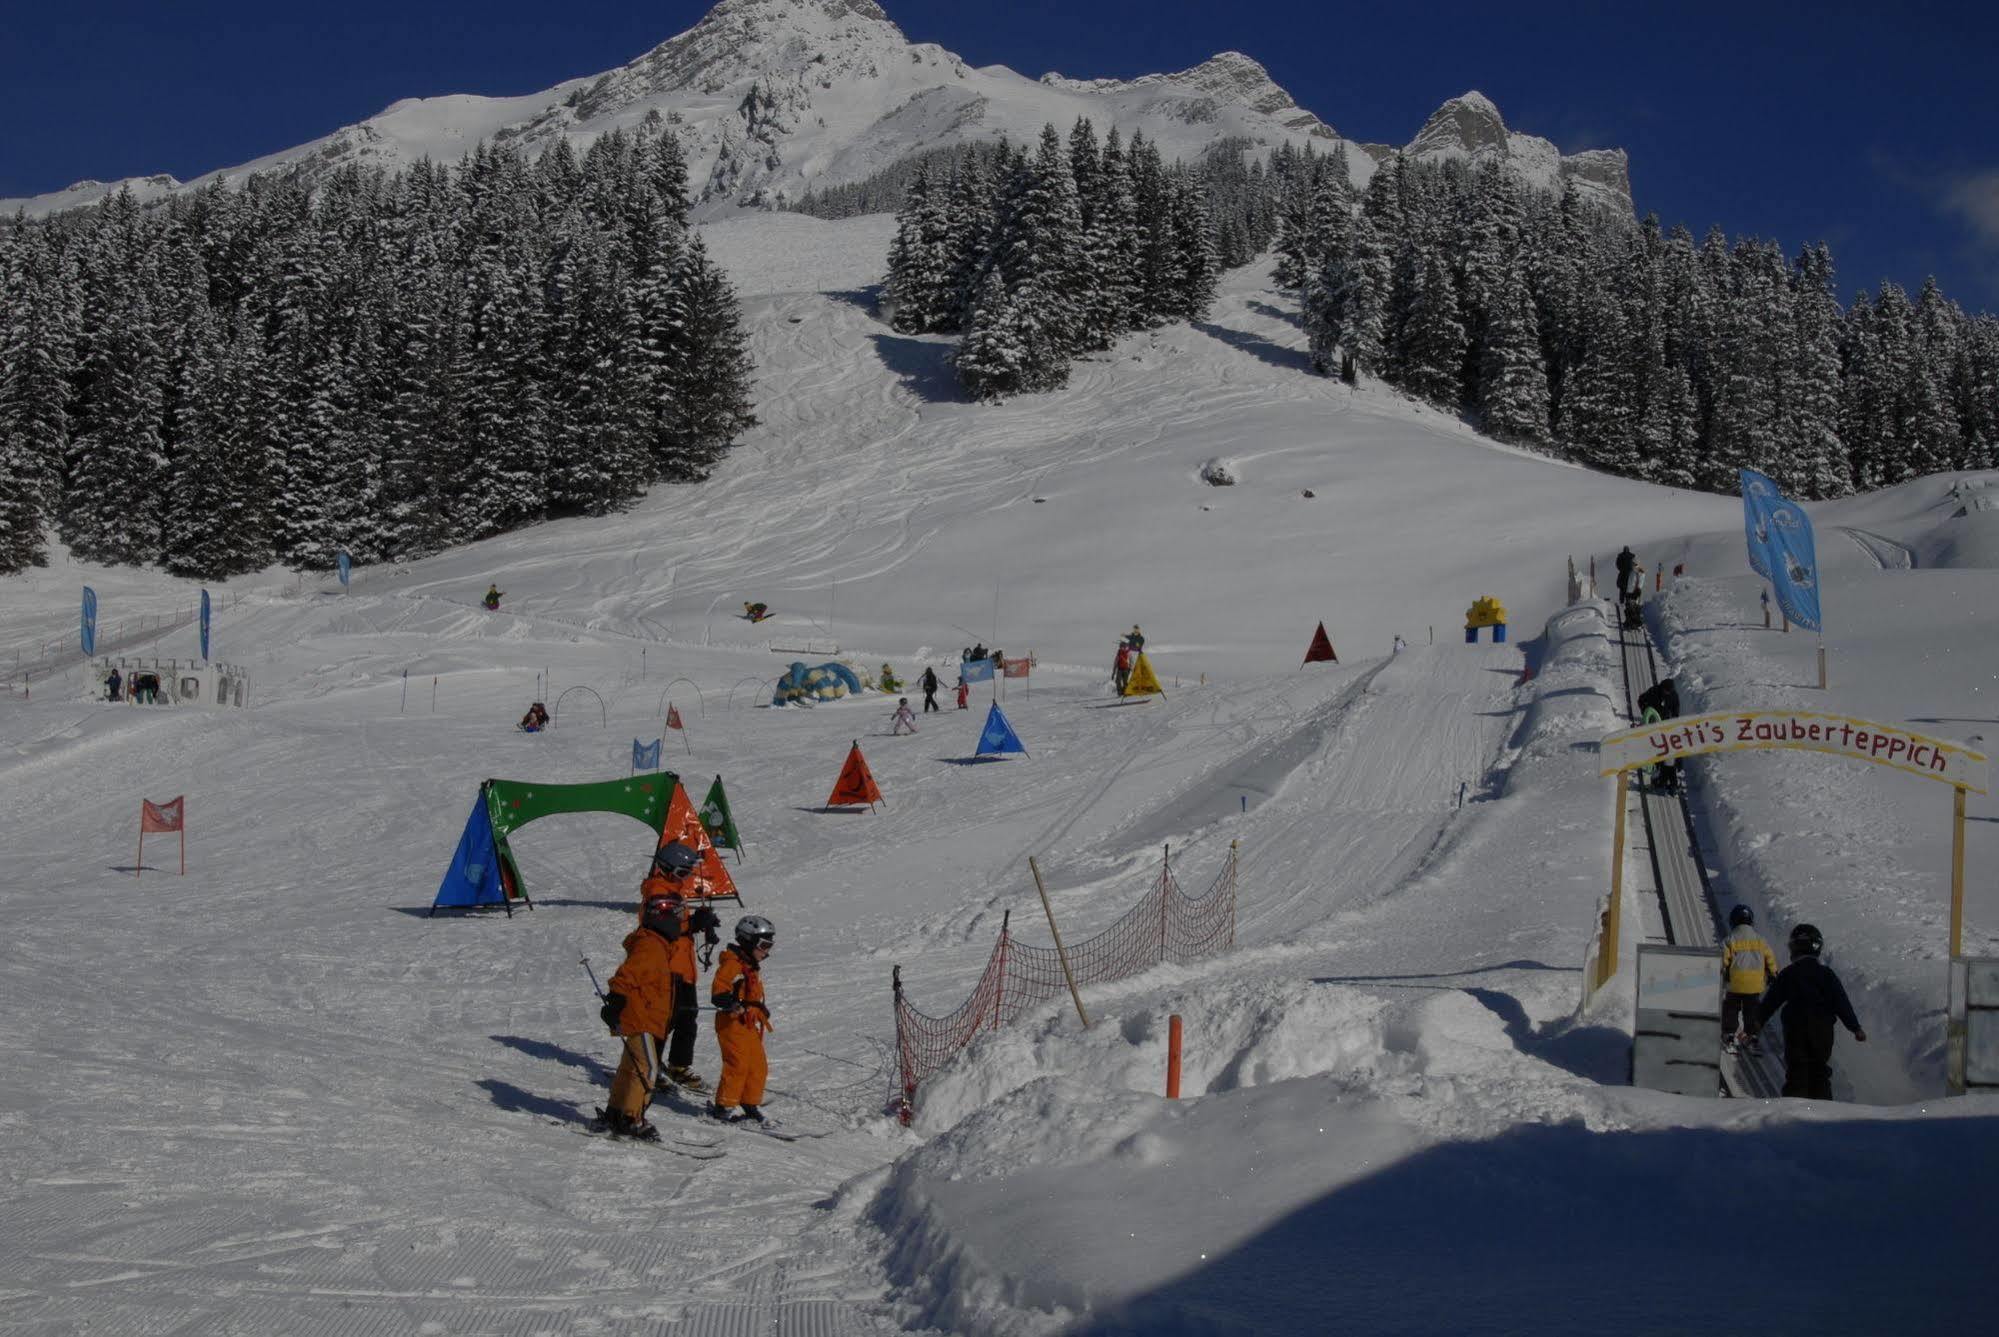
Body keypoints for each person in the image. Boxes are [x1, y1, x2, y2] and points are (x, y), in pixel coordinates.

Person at [595, 892, 683, 1140]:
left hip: (643, 1016)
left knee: (630, 1066)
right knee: (647, 1069)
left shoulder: (657, 945)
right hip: (641, 1017)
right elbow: (627, 976)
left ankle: (617, 1111)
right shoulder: (651, 945)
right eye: (676, 916)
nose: (679, 921)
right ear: (662, 917)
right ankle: (632, 1117)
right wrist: (616, 1001)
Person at [638, 842, 722, 1093]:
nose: (686, 877)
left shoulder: (673, 891)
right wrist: (692, 924)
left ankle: (678, 1065)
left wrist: (698, 924)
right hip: (667, 967)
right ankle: (648, 1065)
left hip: (683, 967)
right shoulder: (657, 893)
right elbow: (660, 928)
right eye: (683, 872)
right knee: (665, 1019)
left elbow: (678, 925)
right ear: (669, 869)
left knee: (687, 1017)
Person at [1748, 923, 1866, 1100]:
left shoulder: (1789, 973)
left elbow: (1771, 1001)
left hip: (1796, 1028)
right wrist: (1855, 1027)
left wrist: (1756, 1024)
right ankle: (1823, 1113)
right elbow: (1841, 1002)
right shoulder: (1827, 974)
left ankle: (1795, 1114)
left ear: (1795, 948)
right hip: (1823, 1029)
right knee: (1819, 1070)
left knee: (1797, 1070)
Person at [710, 915, 777, 1124]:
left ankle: (749, 1102)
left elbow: (752, 994)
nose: (767, 950)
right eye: (764, 945)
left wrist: (759, 1008)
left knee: (758, 1065)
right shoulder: (733, 963)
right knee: (737, 1064)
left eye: (770, 945)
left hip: (747, 1024)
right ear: (748, 941)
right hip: (731, 1022)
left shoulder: (749, 965)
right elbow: (720, 987)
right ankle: (724, 1105)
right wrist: (726, 1000)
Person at [1720, 905, 1778, 1055]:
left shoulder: (1730, 939)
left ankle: (1729, 1035)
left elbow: (1723, 960)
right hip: (1755, 984)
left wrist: (1722, 972)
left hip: (1735, 982)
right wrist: (1773, 973)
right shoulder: (1761, 940)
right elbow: (1769, 958)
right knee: (1752, 1011)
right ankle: (1751, 1037)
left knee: (1731, 1008)